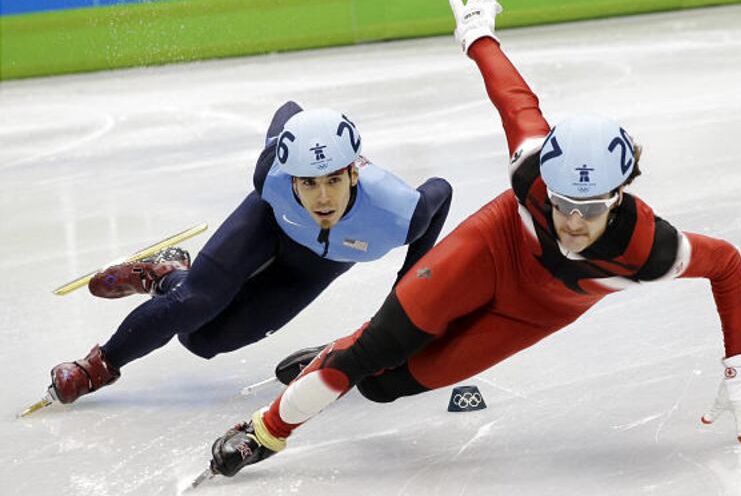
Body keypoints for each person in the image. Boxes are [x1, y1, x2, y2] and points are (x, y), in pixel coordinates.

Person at [206, 0, 741, 478]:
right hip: (491, 248)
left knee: (385, 388)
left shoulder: (653, 249)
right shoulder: (532, 167)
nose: (573, 222)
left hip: (534, 312)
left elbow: (728, 263)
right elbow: (513, 96)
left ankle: (345, 353)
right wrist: (477, 34)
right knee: (370, 355)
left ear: (621, 195)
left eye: (590, 208)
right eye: (561, 204)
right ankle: (269, 430)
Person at [46, 103, 453, 406]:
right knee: (195, 303)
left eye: (333, 180)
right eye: (308, 183)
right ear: (290, 177)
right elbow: (289, 111)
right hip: (267, 225)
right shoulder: (269, 177)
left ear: (354, 172)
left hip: (314, 268)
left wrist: (407, 281)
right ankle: (96, 368)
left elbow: (441, 190)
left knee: (203, 340)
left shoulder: (398, 213)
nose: (324, 197)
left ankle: (167, 275)